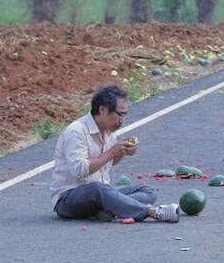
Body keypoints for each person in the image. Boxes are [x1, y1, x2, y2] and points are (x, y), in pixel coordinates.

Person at [50, 85, 179, 223]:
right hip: (69, 199)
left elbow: (107, 162)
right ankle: (152, 211)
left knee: (147, 191)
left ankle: (110, 209)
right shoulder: (76, 131)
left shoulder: (108, 132)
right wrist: (112, 152)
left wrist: (122, 152)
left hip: (102, 193)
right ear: (103, 109)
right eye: (120, 114)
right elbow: (79, 170)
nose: (122, 120)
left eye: (125, 114)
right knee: (97, 189)